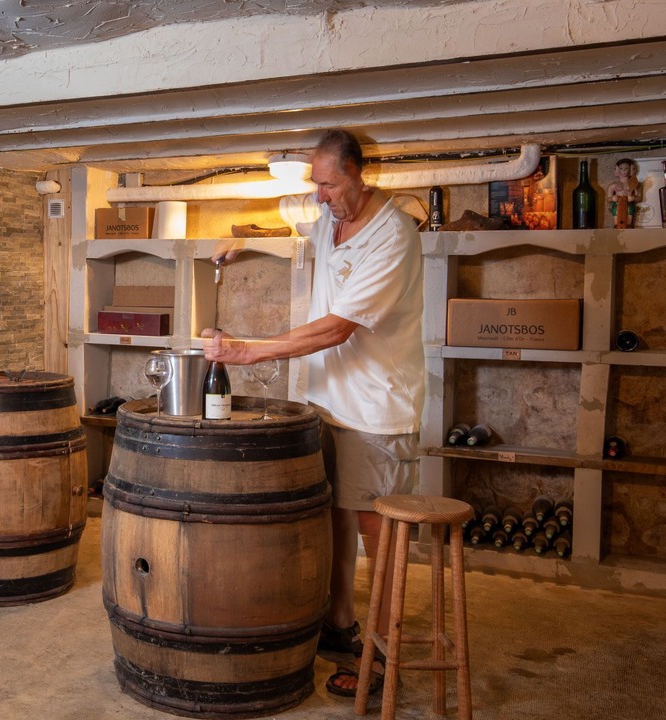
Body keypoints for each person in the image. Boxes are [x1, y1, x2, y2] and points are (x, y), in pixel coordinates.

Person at [203, 128, 424, 698]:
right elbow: (292, 223)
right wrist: (241, 235)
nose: (319, 196)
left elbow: (337, 327)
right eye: (316, 185)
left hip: (378, 410)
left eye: (327, 185)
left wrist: (248, 350)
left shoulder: (392, 234)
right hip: (328, 401)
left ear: (357, 174)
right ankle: (340, 624)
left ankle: (384, 663)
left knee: (380, 536)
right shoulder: (330, 216)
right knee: (337, 520)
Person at [607, 158, 642, 229]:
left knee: (630, 212)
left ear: (631, 169)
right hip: (617, 204)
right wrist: (613, 198)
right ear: (617, 169)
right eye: (621, 168)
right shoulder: (613, 186)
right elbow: (608, 199)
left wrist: (633, 198)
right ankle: (617, 224)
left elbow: (639, 198)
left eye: (627, 168)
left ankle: (628, 225)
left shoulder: (634, 184)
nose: (624, 170)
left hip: (628, 204)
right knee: (615, 211)